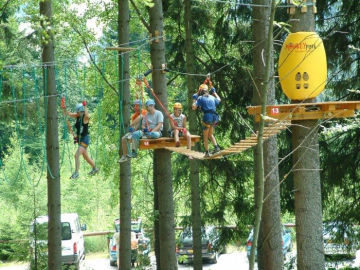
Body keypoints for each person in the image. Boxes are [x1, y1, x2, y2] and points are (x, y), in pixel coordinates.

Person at [62, 101, 99, 179]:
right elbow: (68, 114)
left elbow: (87, 115)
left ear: (81, 111)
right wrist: (64, 107)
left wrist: (85, 106)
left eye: (79, 111)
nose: (78, 113)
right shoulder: (78, 116)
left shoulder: (85, 118)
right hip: (80, 138)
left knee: (76, 155)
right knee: (86, 157)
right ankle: (95, 168)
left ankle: (76, 173)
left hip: (85, 139)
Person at [192, 84, 221, 157]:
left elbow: (194, 107)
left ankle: (207, 152)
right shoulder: (212, 97)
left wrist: (194, 99)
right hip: (215, 117)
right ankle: (216, 147)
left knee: (205, 137)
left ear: (200, 91)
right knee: (210, 134)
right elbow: (219, 100)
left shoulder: (200, 98)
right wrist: (214, 92)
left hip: (207, 117)